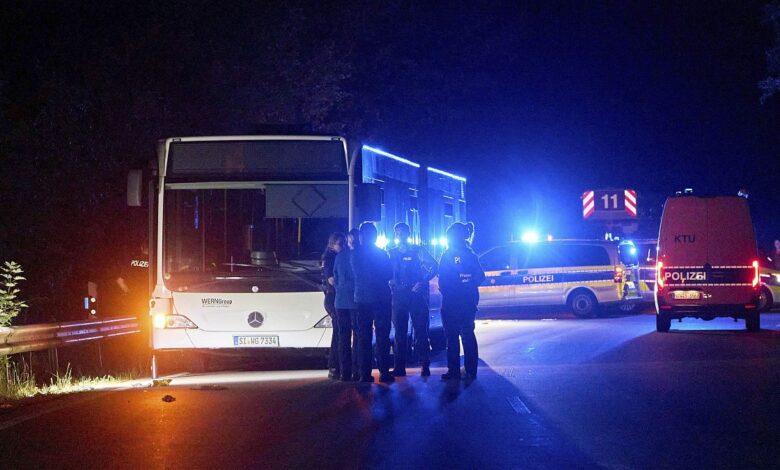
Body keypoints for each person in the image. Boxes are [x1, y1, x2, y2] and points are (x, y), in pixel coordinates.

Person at [388, 223, 437, 377]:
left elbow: (434, 265)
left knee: (421, 331)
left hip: (416, 295)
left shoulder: (418, 251)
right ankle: (399, 367)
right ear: (395, 235)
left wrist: (422, 281)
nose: (400, 235)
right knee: (400, 334)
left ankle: (424, 365)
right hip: (399, 296)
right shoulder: (391, 253)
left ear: (408, 234)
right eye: (398, 233)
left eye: (403, 233)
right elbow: (384, 271)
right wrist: (389, 282)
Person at [438, 222, 485, 382]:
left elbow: (442, 280)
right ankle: (470, 371)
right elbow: (480, 277)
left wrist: (455, 287)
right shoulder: (470, 254)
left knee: (453, 337)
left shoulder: (448, 255)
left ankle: (454, 371)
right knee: (466, 334)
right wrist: (468, 284)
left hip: (453, 302)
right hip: (467, 302)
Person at [351, 222, 394, 383]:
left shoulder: (353, 254)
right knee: (382, 336)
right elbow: (389, 274)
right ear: (375, 236)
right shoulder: (381, 254)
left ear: (361, 236)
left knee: (363, 337)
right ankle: (384, 371)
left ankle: (364, 373)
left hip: (361, 299)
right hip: (381, 298)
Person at [333, 229, 359, 381]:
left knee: (343, 337)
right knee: (357, 336)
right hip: (355, 301)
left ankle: (344, 372)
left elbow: (335, 277)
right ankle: (357, 370)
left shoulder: (339, 257)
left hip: (340, 301)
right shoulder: (357, 256)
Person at [321, 232, 346, 380]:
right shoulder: (330, 259)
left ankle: (335, 366)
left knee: (339, 332)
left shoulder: (334, 257)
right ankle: (334, 365)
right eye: (339, 244)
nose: (342, 247)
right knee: (338, 333)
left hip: (335, 298)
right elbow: (332, 280)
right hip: (333, 298)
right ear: (332, 244)